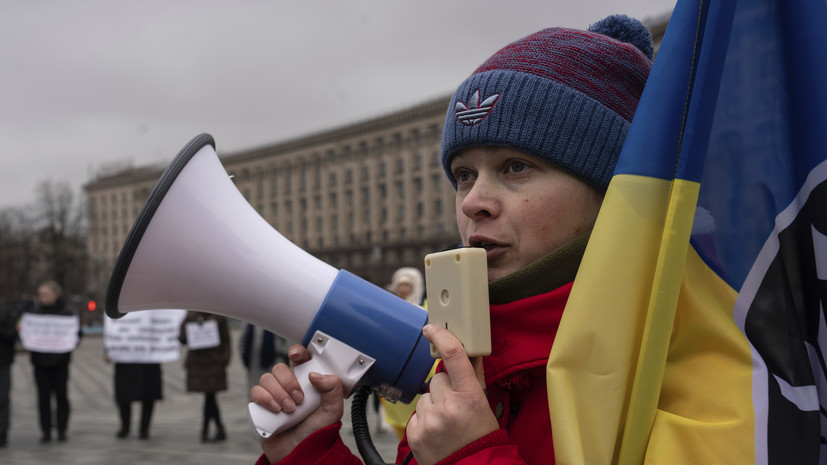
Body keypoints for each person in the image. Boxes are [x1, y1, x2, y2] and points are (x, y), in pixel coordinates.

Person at [250, 14, 653, 465]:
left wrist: (471, 457)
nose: (472, 202)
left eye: (515, 166)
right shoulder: (460, 348)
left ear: (610, 188)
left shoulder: (669, 366)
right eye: (464, 174)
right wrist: (308, 454)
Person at [22, 280, 82, 443]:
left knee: (61, 397)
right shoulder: (33, 313)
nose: (42, 297)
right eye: (40, 294)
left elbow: (76, 335)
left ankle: (62, 429)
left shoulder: (66, 314)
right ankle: (46, 430)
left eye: (46, 294)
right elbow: (26, 334)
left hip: (60, 363)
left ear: (56, 295)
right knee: (43, 398)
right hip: (40, 363)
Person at [382, 267, 427, 439]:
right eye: (399, 285)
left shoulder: (429, 307)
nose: (402, 290)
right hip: (394, 380)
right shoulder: (390, 308)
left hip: (420, 378)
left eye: (406, 285)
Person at [179, 311, 231, 443]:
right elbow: (182, 338)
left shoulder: (218, 317)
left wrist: (224, 359)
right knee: (210, 397)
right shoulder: (192, 316)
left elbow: (226, 340)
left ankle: (207, 430)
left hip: (213, 363)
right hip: (200, 363)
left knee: (210, 397)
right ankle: (216, 429)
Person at [240, 323, 290, 391]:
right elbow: (242, 341)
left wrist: (282, 353)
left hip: (274, 361)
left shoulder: (278, 320)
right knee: (255, 389)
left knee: (274, 389)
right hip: (254, 362)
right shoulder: (250, 322)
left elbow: (288, 341)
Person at [0, 300, 19, 447]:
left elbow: (13, 334)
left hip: (3, 361)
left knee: (2, 398)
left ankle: (2, 432)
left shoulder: (5, 311)